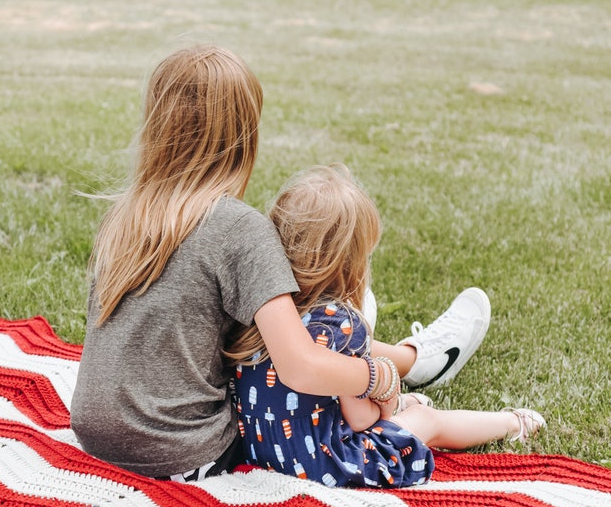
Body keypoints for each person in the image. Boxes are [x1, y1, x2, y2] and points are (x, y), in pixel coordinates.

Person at [70, 45, 492, 482]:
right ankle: (408, 360)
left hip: (95, 437)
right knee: (316, 335)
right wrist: (376, 376)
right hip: (180, 451)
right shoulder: (238, 228)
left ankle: (415, 358)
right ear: (244, 134)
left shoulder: (121, 216)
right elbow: (300, 366)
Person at [231, 164, 544, 489]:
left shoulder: (264, 315)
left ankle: (410, 394)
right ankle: (513, 423)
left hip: (267, 456)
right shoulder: (342, 324)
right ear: (350, 263)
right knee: (427, 421)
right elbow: (362, 420)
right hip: (330, 467)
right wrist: (384, 394)